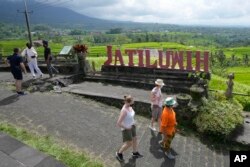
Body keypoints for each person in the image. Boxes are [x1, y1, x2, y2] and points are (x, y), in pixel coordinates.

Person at [116, 95, 143, 162]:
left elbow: (130, 116)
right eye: (132, 100)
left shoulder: (129, 107)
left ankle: (135, 153)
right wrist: (127, 127)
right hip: (126, 128)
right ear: (129, 102)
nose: (134, 101)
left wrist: (133, 122)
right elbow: (118, 123)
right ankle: (119, 153)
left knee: (135, 139)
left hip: (132, 126)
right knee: (129, 143)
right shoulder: (124, 111)